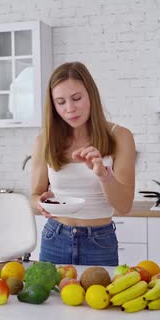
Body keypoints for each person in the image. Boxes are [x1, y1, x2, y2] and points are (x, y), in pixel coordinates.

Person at [30, 61, 136, 266]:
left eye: (77, 98)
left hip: (99, 242)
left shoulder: (120, 136)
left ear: (91, 95)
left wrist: (104, 175)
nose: (70, 108)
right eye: (60, 102)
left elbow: (124, 206)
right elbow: (34, 196)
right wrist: (40, 204)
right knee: (52, 299)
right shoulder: (44, 141)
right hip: (55, 238)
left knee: (98, 299)